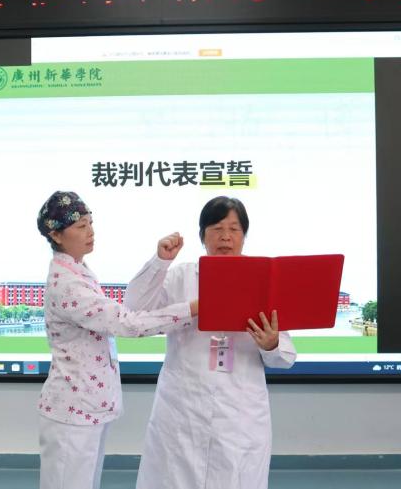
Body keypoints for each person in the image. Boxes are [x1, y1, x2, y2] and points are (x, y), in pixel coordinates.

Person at [126, 196, 296, 489]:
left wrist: (271, 344)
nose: (225, 237)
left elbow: (286, 357)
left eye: (234, 229)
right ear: (202, 236)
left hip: (239, 413)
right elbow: (135, 308)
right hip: (183, 406)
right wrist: (160, 262)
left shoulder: (263, 281)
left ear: (244, 236)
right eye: (216, 228)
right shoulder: (180, 277)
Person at [35, 191, 199, 489]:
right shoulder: (68, 284)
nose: (90, 231)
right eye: (81, 226)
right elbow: (127, 323)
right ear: (56, 235)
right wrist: (190, 310)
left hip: (86, 405)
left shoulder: (78, 271)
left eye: (90, 222)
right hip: (73, 410)